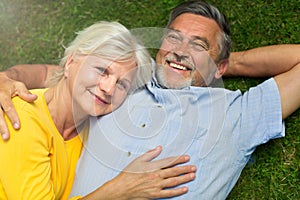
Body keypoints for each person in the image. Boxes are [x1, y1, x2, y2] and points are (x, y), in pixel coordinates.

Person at [0, 0, 299, 199]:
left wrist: (233, 65)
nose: (180, 50)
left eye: (197, 45)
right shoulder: (121, 84)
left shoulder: (239, 114)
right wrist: (6, 76)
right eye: (173, 38)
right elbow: (50, 74)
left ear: (219, 65)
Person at [0, 21, 198, 199]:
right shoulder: (21, 118)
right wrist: (120, 190)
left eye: (122, 84)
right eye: (102, 71)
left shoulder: (93, 129)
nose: (108, 88)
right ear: (70, 63)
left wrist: (220, 64)